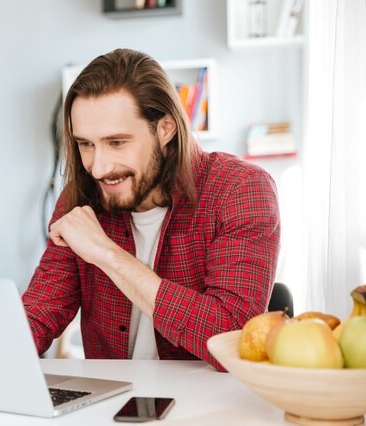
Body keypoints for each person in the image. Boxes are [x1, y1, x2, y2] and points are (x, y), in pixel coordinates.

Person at [22, 48, 280, 370]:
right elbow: (39, 314)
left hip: (209, 406)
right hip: (114, 408)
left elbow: (233, 338)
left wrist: (107, 254)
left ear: (165, 129)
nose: (99, 168)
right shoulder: (80, 201)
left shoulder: (239, 190)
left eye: (117, 143)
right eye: (86, 144)